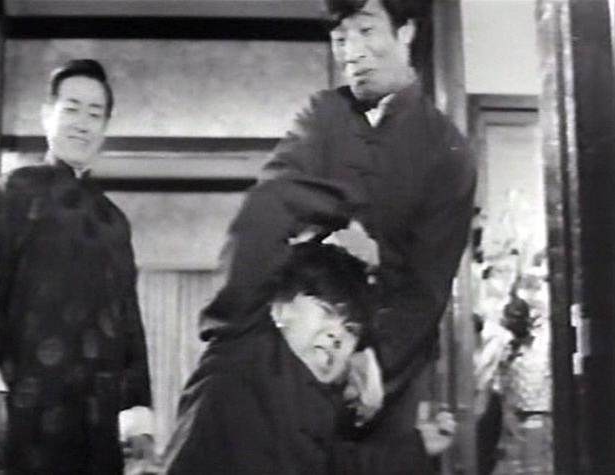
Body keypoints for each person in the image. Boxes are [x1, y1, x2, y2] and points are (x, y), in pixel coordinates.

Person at [199, 0, 476, 473]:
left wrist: (369, 363)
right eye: (340, 38)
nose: (352, 52)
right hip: (294, 355)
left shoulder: (448, 151)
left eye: (366, 31)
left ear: (406, 32)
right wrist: (231, 327)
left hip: (386, 377)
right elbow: (272, 201)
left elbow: (425, 291)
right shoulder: (323, 113)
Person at [0, 59, 153, 475]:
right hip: (29, 398)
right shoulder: (16, 191)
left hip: (99, 413)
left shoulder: (114, 221)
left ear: (105, 127)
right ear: (47, 115)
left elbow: (129, 323)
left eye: (95, 113)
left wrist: (138, 414)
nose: (83, 123)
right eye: (72, 108)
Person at [163, 242, 385, 475]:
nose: (336, 335)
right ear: (279, 308)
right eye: (327, 311)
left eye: (350, 329)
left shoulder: (328, 425)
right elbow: (257, 235)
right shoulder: (245, 346)